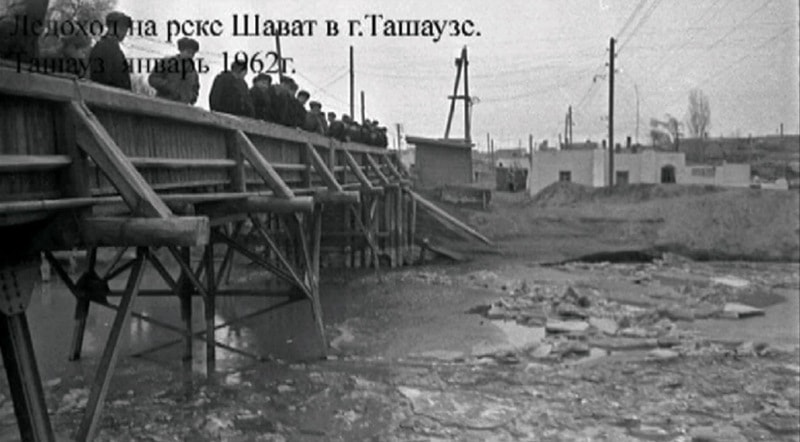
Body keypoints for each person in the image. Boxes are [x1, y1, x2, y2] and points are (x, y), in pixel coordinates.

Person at [147, 37, 200, 104]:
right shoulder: (167, 63)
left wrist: (192, 97)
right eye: (188, 52)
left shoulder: (193, 73)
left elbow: (195, 88)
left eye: (193, 54)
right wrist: (168, 86)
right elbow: (152, 79)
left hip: (183, 107)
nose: (190, 55)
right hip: (163, 103)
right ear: (181, 50)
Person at [88, 11, 133, 90]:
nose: (125, 31)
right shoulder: (104, 47)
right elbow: (103, 79)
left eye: (125, 27)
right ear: (111, 27)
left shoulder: (116, 50)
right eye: (121, 26)